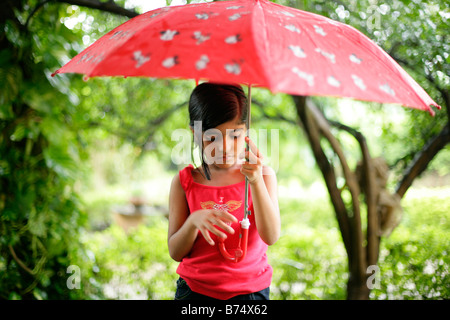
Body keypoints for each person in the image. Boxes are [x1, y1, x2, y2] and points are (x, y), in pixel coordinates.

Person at [168, 82, 280, 300]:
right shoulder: (184, 181)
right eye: (212, 138)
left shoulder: (263, 176)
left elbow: (271, 236)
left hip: (250, 293)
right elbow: (175, 252)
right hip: (194, 293)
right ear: (195, 133)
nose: (224, 147)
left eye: (235, 135)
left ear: (246, 130)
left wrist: (255, 181)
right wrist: (193, 222)